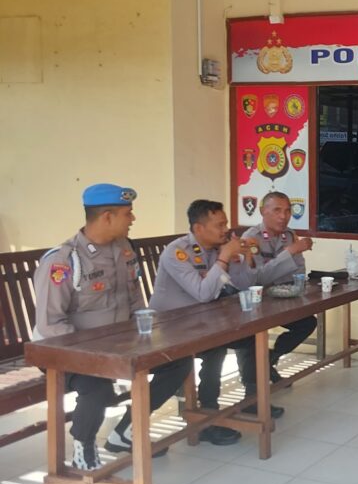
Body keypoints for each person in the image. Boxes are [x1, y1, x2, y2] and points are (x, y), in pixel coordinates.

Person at [31, 184, 186, 469]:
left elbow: (134, 297)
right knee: (98, 387)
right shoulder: (64, 261)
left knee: (177, 361)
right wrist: (98, 355)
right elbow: (51, 325)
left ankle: (124, 431)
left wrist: (148, 332)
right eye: (128, 213)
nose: (133, 219)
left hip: (117, 343)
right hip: (63, 350)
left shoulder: (124, 249)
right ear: (107, 217)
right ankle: (83, 446)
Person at [134, 199, 258, 447]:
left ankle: (253, 399)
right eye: (219, 225)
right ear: (199, 228)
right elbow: (203, 293)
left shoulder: (216, 248)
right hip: (169, 328)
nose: (226, 230)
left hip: (201, 322)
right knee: (216, 345)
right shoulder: (177, 252)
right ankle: (207, 419)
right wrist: (225, 257)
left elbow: (243, 285)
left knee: (250, 335)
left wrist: (245, 258)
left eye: (225, 224)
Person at [236, 191, 315, 407]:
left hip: (280, 296)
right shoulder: (251, 238)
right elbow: (257, 278)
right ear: (263, 212)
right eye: (277, 210)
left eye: (287, 211)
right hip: (251, 302)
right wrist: (289, 253)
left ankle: (270, 359)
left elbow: (299, 271)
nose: (283, 216)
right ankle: (252, 395)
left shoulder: (288, 235)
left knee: (307, 322)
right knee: (251, 333)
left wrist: (288, 267)